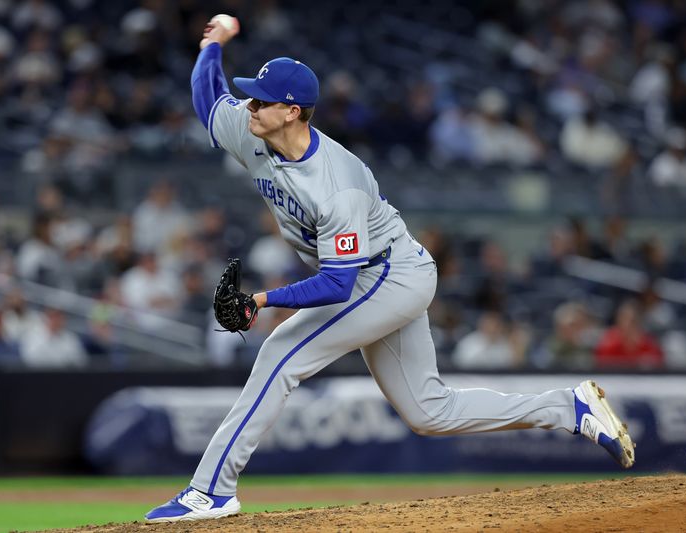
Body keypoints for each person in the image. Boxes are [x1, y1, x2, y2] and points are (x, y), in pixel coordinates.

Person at [145, 16, 636, 523]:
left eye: (262, 100)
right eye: (251, 97)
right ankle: (569, 408)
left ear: (292, 112)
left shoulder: (338, 184)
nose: (249, 106)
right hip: (375, 273)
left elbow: (339, 284)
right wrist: (213, 44)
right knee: (429, 411)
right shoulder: (250, 129)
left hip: (386, 274)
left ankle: (210, 491)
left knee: (279, 353)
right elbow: (208, 99)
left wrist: (262, 302)